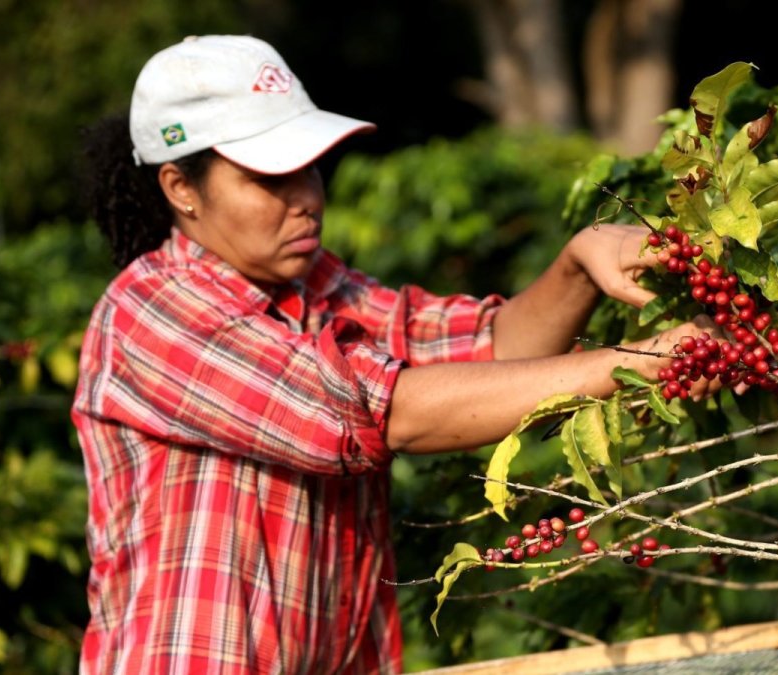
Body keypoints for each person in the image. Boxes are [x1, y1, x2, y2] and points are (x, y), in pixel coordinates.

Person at [74, 35, 716, 673]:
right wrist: (639, 359)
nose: (307, 198)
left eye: (309, 168)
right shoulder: (153, 311)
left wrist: (579, 262)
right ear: (180, 188)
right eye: (271, 177)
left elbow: (487, 350)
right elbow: (377, 414)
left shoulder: (321, 288)